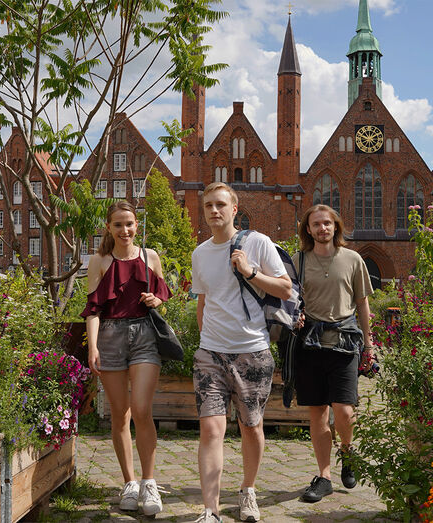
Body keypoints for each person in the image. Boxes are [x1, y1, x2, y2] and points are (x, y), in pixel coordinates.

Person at [190, 182, 293, 523]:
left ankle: (248, 491)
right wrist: (206, 338)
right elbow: (202, 301)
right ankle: (211, 510)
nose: (214, 211)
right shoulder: (200, 253)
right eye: (209, 206)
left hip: (252, 352)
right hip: (211, 355)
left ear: (234, 209)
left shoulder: (257, 242)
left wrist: (250, 271)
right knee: (211, 431)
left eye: (221, 204)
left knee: (251, 427)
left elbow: (285, 288)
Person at [82, 200, 172, 516]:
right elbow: (93, 310)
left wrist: (155, 300)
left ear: (137, 226)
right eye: (118, 224)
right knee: (120, 413)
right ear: (109, 227)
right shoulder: (99, 261)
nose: (125, 230)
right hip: (109, 337)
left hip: (144, 336)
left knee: (143, 409)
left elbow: (162, 295)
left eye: (130, 224)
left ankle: (149, 482)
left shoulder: (150, 257)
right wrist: (92, 347)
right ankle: (130, 483)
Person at [292, 204, 375, 503]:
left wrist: (370, 344)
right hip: (310, 344)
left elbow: (363, 304)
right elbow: (290, 299)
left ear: (336, 227)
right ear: (309, 229)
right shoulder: (298, 261)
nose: (322, 228)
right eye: (316, 224)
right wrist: (294, 316)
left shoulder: (352, 259)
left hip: (345, 342)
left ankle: (348, 451)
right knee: (318, 412)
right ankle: (324, 475)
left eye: (327, 223)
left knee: (344, 410)